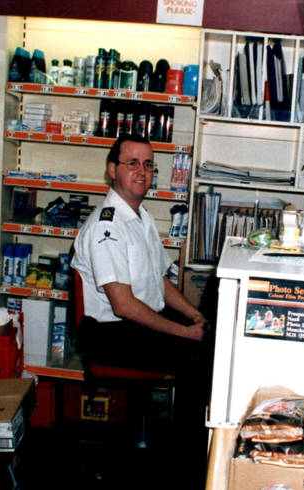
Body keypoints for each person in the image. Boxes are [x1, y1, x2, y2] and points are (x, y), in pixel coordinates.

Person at [71, 134, 213, 484]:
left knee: (209, 337)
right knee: (201, 359)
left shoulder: (141, 217)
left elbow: (158, 280)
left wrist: (195, 315)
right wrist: (184, 332)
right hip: (109, 333)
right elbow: (123, 305)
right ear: (112, 170)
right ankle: (189, 466)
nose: (142, 171)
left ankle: (190, 451)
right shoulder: (107, 227)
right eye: (132, 163)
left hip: (136, 321)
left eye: (148, 165)